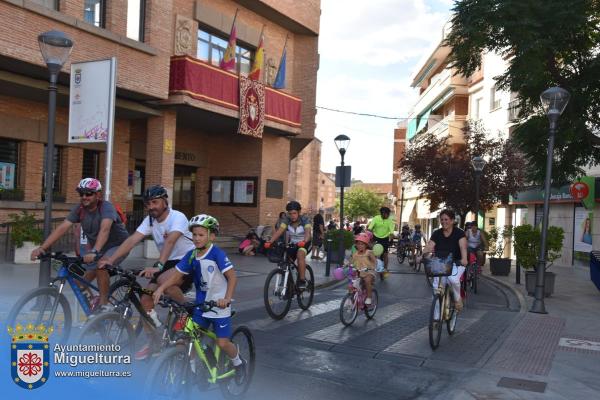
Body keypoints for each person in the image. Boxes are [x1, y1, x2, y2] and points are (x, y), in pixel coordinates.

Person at [98, 185, 195, 359]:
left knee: (166, 280)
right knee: (145, 300)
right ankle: (154, 342)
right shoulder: (150, 220)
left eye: (155, 202)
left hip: (188, 260)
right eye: (148, 204)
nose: (151, 207)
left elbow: (171, 241)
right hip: (168, 262)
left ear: (165, 202)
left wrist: (158, 265)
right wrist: (111, 260)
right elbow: (133, 239)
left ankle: (187, 314)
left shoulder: (177, 217)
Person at [152, 214, 246, 379]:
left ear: (212, 236)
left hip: (219, 306)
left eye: (201, 235)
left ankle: (238, 362)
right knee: (190, 336)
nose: (196, 238)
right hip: (201, 305)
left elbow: (232, 277)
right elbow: (176, 275)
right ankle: (192, 371)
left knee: (222, 342)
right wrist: (161, 288)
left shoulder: (217, 254)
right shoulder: (192, 254)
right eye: (194, 234)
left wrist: (227, 298)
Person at [30, 178, 129, 310]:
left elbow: (105, 229)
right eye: (81, 194)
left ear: (98, 195)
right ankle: (94, 311)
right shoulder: (80, 209)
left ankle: (105, 306)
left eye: (88, 193)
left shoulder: (106, 207)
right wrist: (42, 248)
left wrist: (95, 251)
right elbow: (63, 228)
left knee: (101, 267)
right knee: (80, 284)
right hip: (98, 249)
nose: (84, 197)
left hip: (119, 246)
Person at [422, 209, 468, 311]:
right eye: (442, 219)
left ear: (452, 221)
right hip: (441, 264)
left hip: (457, 263)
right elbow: (429, 246)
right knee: (437, 288)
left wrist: (464, 259)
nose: (443, 222)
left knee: (453, 279)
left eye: (446, 219)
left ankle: (457, 298)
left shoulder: (459, 233)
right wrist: (421, 255)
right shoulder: (437, 233)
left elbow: (463, 247)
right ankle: (436, 319)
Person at [265, 201, 312, 290]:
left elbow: (308, 233)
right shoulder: (286, 220)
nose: (292, 216)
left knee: (300, 255)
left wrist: (304, 241)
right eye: (290, 213)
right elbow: (279, 231)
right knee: (284, 259)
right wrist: (270, 242)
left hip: (305, 243)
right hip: (293, 243)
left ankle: (302, 280)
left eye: (294, 213)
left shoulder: (305, 219)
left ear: (299, 212)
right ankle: (286, 281)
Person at [351, 233, 377, 305]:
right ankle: (351, 298)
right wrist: (346, 265)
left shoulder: (369, 252)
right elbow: (352, 262)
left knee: (367, 280)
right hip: (359, 272)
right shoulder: (355, 253)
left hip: (369, 272)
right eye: (358, 244)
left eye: (362, 244)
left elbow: (374, 261)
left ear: (366, 245)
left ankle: (369, 297)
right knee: (352, 284)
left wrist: (372, 267)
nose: (360, 246)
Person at [367, 207, 395, 271]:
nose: (388, 215)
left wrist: (391, 240)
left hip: (385, 238)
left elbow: (391, 232)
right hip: (375, 237)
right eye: (387, 214)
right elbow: (370, 228)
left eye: (389, 214)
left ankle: (385, 269)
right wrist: (369, 236)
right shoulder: (376, 218)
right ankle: (373, 266)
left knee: (385, 254)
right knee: (373, 253)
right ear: (382, 213)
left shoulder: (390, 221)